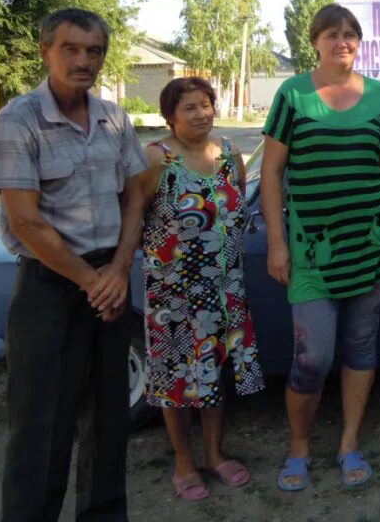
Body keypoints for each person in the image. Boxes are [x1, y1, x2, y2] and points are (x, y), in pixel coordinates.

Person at [0, 8, 146, 521]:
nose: (83, 60)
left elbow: (135, 198)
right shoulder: (19, 119)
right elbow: (26, 222)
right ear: (45, 51)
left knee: (109, 421)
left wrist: (118, 271)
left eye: (93, 51)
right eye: (70, 49)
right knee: (41, 428)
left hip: (108, 283)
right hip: (49, 289)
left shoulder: (113, 118)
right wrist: (92, 280)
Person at [260, 4, 380, 491]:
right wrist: (277, 244)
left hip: (371, 244)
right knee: (313, 357)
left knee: (361, 347)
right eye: (332, 34)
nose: (342, 41)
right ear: (316, 42)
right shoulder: (293, 94)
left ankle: (348, 443)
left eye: (351, 34)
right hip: (311, 251)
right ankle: (299, 448)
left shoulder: (378, 95)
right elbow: (270, 172)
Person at [137, 77, 265, 501]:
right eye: (189, 107)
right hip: (172, 294)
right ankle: (183, 462)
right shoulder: (157, 158)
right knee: (175, 378)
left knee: (214, 373)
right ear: (169, 116)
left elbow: (239, 208)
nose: (200, 114)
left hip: (224, 288)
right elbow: (133, 217)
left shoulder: (229, 153)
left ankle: (213, 454)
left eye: (206, 104)